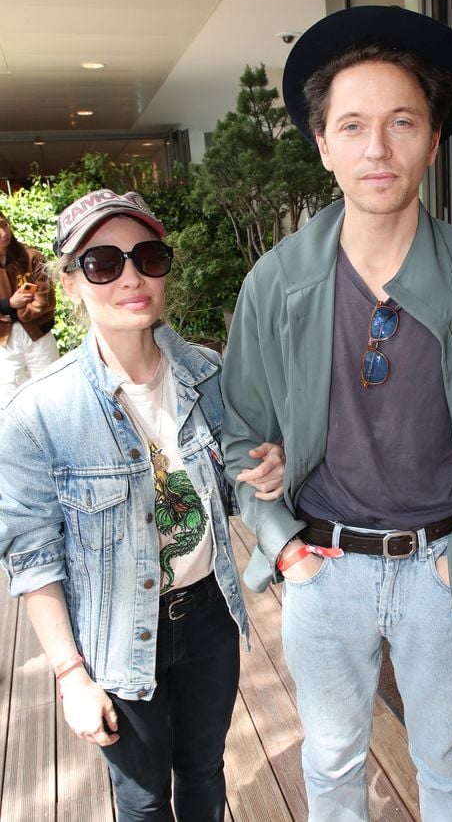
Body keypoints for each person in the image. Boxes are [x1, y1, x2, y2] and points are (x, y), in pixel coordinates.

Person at [220, 6, 452, 822]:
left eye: (402, 122)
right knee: (332, 757)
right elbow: (241, 430)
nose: (377, 147)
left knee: (448, 764)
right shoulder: (277, 283)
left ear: (434, 140)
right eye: (353, 125)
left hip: (444, 563)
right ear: (323, 145)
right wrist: (282, 541)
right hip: (323, 564)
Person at [0, 189, 286, 822]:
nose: (131, 277)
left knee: (205, 773)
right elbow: (32, 557)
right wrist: (71, 676)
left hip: (209, 615)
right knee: (143, 798)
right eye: (103, 263)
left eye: (148, 257)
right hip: (116, 629)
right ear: (71, 284)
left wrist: (270, 468)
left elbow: (237, 487)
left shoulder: (209, 375)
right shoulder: (36, 414)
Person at [0, 210, 59, 403]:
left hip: (38, 335)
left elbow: (45, 297)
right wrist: (9, 304)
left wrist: (17, 313)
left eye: (3, 225)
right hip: (4, 342)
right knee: (10, 399)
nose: (3, 233)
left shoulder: (32, 257)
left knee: (51, 391)